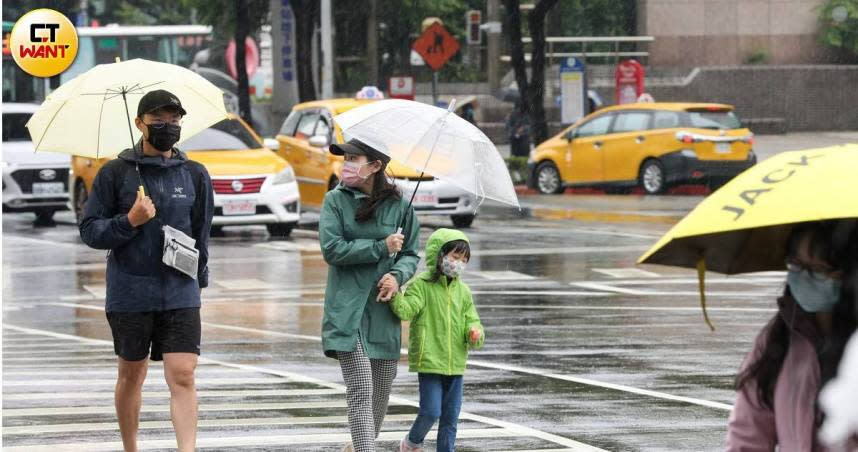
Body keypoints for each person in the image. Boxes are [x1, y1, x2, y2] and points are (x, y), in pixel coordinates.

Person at [79, 89, 214, 452]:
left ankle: (188, 449)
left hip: (180, 291)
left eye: (174, 120)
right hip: (130, 293)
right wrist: (130, 220)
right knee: (132, 374)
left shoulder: (195, 175)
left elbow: (202, 233)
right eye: (158, 120)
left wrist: (198, 282)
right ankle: (131, 446)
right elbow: (90, 230)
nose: (167, 127)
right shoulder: (114, 173)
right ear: (140, 124)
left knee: (183, 373)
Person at [319, 138, 420, 452]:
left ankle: (358, 446)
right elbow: (332, 249)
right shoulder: (335, 201)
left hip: (381, 311)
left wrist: (396, 275)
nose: (347, 163)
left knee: (380, 392)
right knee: (361, 388)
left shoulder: (400, 206)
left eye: (353, 157)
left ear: (376, 165)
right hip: (346, 310)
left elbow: (411, 254)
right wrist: (380, 247)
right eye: (345, 157)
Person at [725, 220, 858, 451]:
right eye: (796, 265)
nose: (804, 277)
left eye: (819, 270)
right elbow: (747, 437)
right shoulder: (776, 339)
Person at [389, 228, 485, 452]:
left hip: (455, 365)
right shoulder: (422, 285)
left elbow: (473, 321)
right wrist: (395, 294)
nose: (458, 263)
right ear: (438, 255)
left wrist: (475, 333)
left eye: (463, 259)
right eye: (454, 257)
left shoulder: (464, 292)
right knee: (431, 411)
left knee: (451, 418)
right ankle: (412, 442)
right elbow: (407, 310)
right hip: (430, 360)